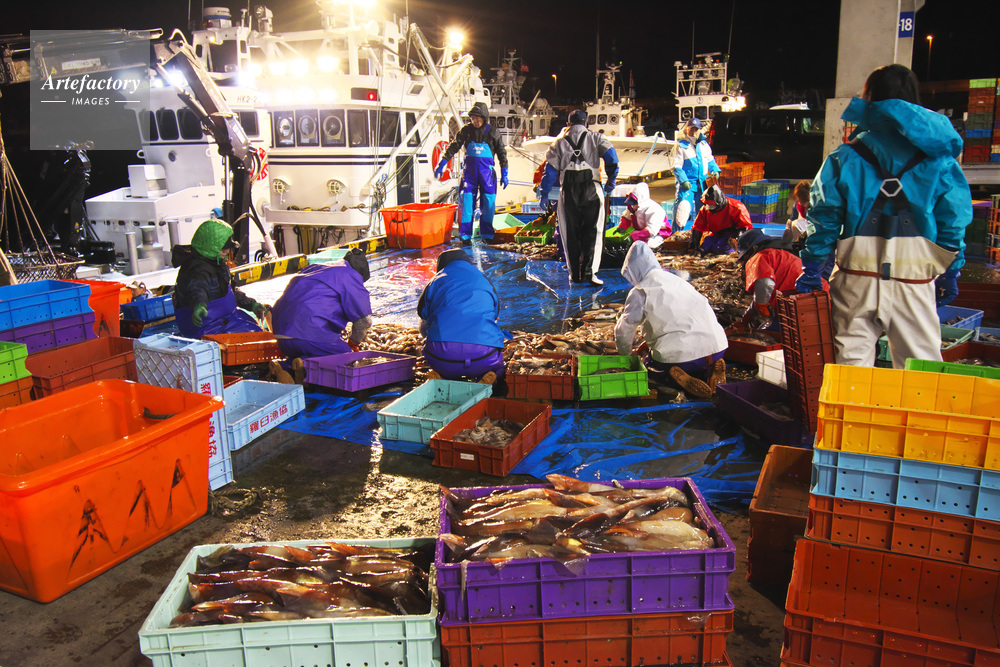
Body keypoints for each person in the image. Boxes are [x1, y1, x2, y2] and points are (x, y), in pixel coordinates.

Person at [794, 64, 972, 368]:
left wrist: (812, 266)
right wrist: (952, 270)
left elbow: (824, 218)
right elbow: (954, 223)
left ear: (869, 99)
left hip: (856, 280)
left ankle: (849, 402)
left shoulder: (844, 157)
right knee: (920, 370)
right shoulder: (940, 161)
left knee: (850, 368)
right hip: (913, 282)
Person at [615, 241, 728, 399]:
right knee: (697, 355)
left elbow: (625, 329)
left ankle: (675, 378)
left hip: (683, 358)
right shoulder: (678, 281)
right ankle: (710, 370)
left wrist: (625, 354)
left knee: (648, 365)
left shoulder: (640, 291)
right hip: (716, 348)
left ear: (633, 272)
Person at [537, 109, 619, 285]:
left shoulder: (558, 143)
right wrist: (611, 180)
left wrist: (544, 193)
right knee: (594, 232)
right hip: (592, 189)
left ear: (568, 124)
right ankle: (590, 273)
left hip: (568, 192)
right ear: (586, 123)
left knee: (569, 233)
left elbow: (549, 172)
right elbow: (612, 158)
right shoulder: (597, 138)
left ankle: (574, 274)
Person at [269, 249, 373, 383]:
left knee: (312, 349)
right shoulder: (351, 276)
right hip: (308, 334)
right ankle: (297, 366)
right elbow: (364, 321)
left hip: (281, 336)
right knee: (346, 358)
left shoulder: (316, 268)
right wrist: (353, 343)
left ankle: (286, 365)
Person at [417, 248, 505, 384]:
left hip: (442, 358)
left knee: (426, 321)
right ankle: (487, 378)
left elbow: (422, 313)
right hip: (483, 357)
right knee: (497, 365)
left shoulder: (435, 280)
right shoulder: (483, 279)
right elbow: (495, 313)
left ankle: (442, 377)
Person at [171, 219, 268, 339]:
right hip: (207, 327)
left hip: (226, 319)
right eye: (223, 248)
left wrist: (251, 304)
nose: (227, 251)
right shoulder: (195, 268)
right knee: (255, 337)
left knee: (257, 331)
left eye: (228, 247)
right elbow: (197, 287)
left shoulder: (217, 263)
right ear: (210, 246)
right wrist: (199, 304)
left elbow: (230, 290)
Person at [434, 102, 509, 244]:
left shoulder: (493, 132)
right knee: (467, 202)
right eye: (473, 118)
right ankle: (465, 236)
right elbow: (454, 146)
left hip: (487, 175)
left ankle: (487, 235)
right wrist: (442, 163)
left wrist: (504, 172)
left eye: (478, 118)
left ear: (484, 117)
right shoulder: (466, 130)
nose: (475, 121)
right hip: (469, 174)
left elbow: (502, 153)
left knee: (488, 203)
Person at [736, 229, 826, 330]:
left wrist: (761, 306)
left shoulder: (759, 256)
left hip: (807, 305)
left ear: (753, 249)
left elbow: (766, 284)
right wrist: (746, 319)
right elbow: (760, 293)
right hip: (820, 299)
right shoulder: (779, 254)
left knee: (768, 333)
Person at [670, 119, 720, 232]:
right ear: (686, 129)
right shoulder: (680, 146)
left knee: (704, 211)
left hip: (702, 184)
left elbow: (710, 160)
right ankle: (676, 235)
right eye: (691, 129)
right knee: (682, 210)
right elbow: (676, 166)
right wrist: (683, 180)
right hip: (687, 184)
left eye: (696, 129)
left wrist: (715, 170)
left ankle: (701, 235)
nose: (693, 131)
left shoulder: (704, 145)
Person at [688, 185, 752, 255]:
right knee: (705, 247)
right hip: (715, 235)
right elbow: (697, 227)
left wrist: (736, 239)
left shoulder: (736, 207)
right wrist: (693, 246)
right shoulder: (704, 209)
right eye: (708, 205)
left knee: (721, 249)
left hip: (731, 236)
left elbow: (745, 227)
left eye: (713, 206)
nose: (710, 208)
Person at [616, 182, 671, 249]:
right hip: (641, 231)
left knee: (646, 246)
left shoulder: (654, 210)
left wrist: (633, 237)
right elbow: (627, 217)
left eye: (634, 202)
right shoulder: (633, 207)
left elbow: (651, 231)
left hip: (657, 234)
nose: (632, 205)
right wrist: (622, 227)